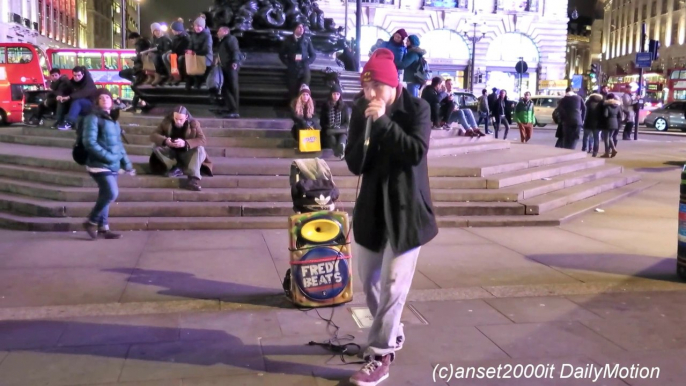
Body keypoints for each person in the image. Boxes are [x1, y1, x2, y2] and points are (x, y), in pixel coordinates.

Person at [345, 48, 438, 386]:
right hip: (372, 209)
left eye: (377, 88)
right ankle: (392, 330)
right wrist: (369, 130)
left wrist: (384, 122)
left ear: (393, 84)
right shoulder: (360, 110)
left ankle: (380, 354)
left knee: (394, 285)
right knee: (368, 280)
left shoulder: (418, 108)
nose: (370, 95)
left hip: (406, 212)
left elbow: (415, 151)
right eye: (366, 88)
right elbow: (354, 162)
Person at [81, 88, 135, 240]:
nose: (105, 100)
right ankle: (91, 221)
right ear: (97, 102)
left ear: (112, 101)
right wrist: (109, 157)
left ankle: (103, 228)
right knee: (112, 192)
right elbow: (89, 142)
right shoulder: (92, 118)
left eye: (108, 97)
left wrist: (127, 164)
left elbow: (118, 145)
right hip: (98, 163)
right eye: (102, 98)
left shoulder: (113, 120)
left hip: (112, 164)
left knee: (106, 195)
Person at [149, 105, 212, 191]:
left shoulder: (194, 124)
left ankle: (193, 179)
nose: (178, 122)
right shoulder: (166, 122)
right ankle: (175, 167)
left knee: (200, 149)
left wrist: (185, 143)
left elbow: (203, 140)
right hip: (171, 152)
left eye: (181, 120)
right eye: (176, 119)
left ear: (186, 117)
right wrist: (166, 141)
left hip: (186, 153)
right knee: (156, 147)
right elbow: (153, 135)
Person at [279, 23, 317, 98]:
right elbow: (281, 54)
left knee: (304, 91)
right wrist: (288, 63)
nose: (301, 29)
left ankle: (303, 108)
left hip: (304, 69)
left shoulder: (306, 40)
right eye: (299, 27)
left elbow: (313, 54)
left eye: (302, 27)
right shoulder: (288, 40)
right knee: (292, 91)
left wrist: (307, 62)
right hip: (293, 70)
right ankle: (293, 107)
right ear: (294, 29)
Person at [57, 66, 97, 131]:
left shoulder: (89, 82)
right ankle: (59, 121)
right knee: (62, 101)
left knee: (78, 101)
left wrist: (69, 97)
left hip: (90, 104)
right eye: (75, 75)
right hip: (77, 105)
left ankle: (69, 123)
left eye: (79, 75)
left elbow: (83, 93)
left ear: (83, 74)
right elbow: (64, 89)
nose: (77, 77)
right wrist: (60, 96)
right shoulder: (72, 82)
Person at [216, 25, 242, 118]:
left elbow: (235, 50)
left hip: (231, 66)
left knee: (232, 87)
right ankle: (231, 108)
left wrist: (235, 62)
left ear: (225, 31)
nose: (217, 33)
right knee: (226, 87)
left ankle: (234, 110)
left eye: (219, 31)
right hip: (226, 65)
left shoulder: (231, 39)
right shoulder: (224, 40)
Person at [319, 84, 350, 159]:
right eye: (334, 94)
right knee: (331, 138)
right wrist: (329, 126)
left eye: (337, 94)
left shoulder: (344, 106)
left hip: (340, 130)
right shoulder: (325, 106)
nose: (336, 96)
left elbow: (346, 122)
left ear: (340, 95)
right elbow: (322, 122)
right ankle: (340, 152)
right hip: (330, 130)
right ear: (331, 94)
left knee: (343, 136)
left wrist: (339, 127)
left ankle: (341, 147)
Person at [186, 15, 213, 90]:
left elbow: (206, 49)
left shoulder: (207, 35)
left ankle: (197, 82)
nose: (197, 28)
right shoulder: (193, 35)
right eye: (196, 26)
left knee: (197, 63)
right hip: (195, 55)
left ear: (203, 27)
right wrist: (189, 50)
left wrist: (194, 52)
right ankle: (189, 81)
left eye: (199, 26)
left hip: (205, 57)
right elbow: (190, 45)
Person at [582, 92, 605, 157]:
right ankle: (595, 151)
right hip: (597, 124)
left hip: (588, 122)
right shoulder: (601, 104)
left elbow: (585, 113)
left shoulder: (588, 103)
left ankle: (584, 148)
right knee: (596, 138)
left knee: (585, 136)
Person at [601, 93, 623, 158]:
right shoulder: (618, 106)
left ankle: (607, 152)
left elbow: (605, 115)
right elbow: (620, 115)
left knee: (606, 138)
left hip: (607, 123)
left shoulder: (607, 106)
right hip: (615, 123)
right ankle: (613, 149)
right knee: (610, 137)